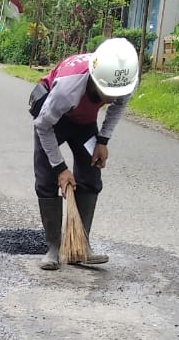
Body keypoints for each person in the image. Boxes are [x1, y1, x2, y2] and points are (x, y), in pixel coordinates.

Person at [31, 36, 139, 270]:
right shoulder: (68, 89)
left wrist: (103, 140)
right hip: (52, 121)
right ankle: (53, 247)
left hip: (84, 124)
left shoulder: (125, 78)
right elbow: (42, 125)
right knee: (46, 177)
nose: (112, 97)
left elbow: (118, 107)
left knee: (91, 175)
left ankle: (80, 245)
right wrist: (60, 168)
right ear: (94, 78)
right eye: (106, 92)